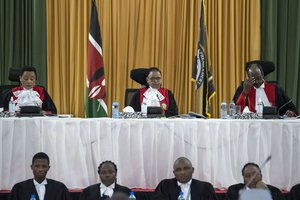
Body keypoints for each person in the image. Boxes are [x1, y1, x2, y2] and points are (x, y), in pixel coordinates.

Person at [232, 61, 298, 117]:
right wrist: (245, 92)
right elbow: (235, 112)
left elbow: (290, 108)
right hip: (252, 125)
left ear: (262, 75)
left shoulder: (275, 88)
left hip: (273, 123)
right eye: (253, 79)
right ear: (249, 77)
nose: (257, 81)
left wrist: (290, 113)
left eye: (258, 78)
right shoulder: (244, 87)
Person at [152, 157, 218, 200]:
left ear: (192, 170)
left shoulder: (206, 187)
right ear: (174, 172)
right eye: (178, 170)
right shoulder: (164, 186)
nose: (182, 172)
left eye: (186, 169)